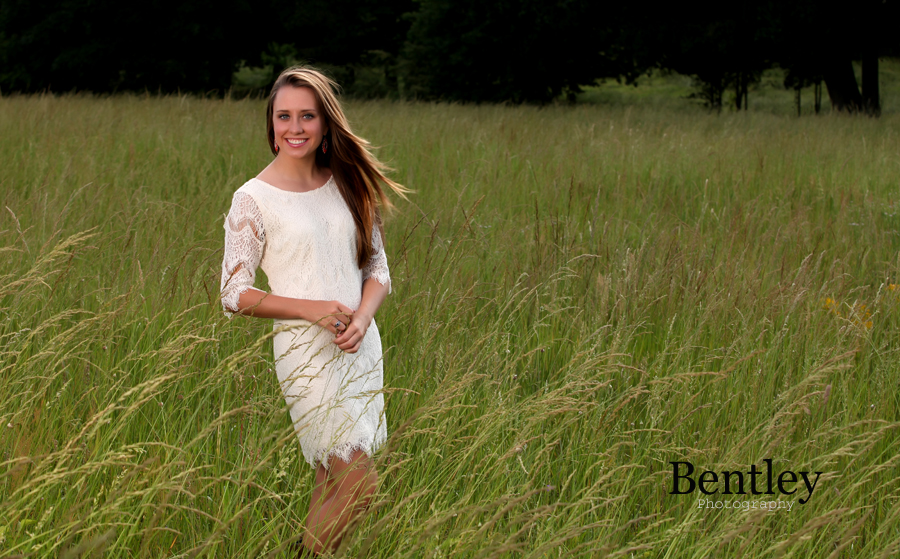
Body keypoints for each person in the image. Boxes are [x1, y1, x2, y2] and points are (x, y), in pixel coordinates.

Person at [219, 66, 406, 556]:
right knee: (360, 487)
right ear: (271, 123)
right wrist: (313, 310)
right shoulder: (252, 199)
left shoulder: (348, 184)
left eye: (307, 116)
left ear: (325, 123)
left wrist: (362, 317)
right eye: (284, 116)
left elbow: (379, 271)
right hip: (306, 357)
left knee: (330, 479)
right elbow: (233, 292)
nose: (295, 127)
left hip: (360, 350)